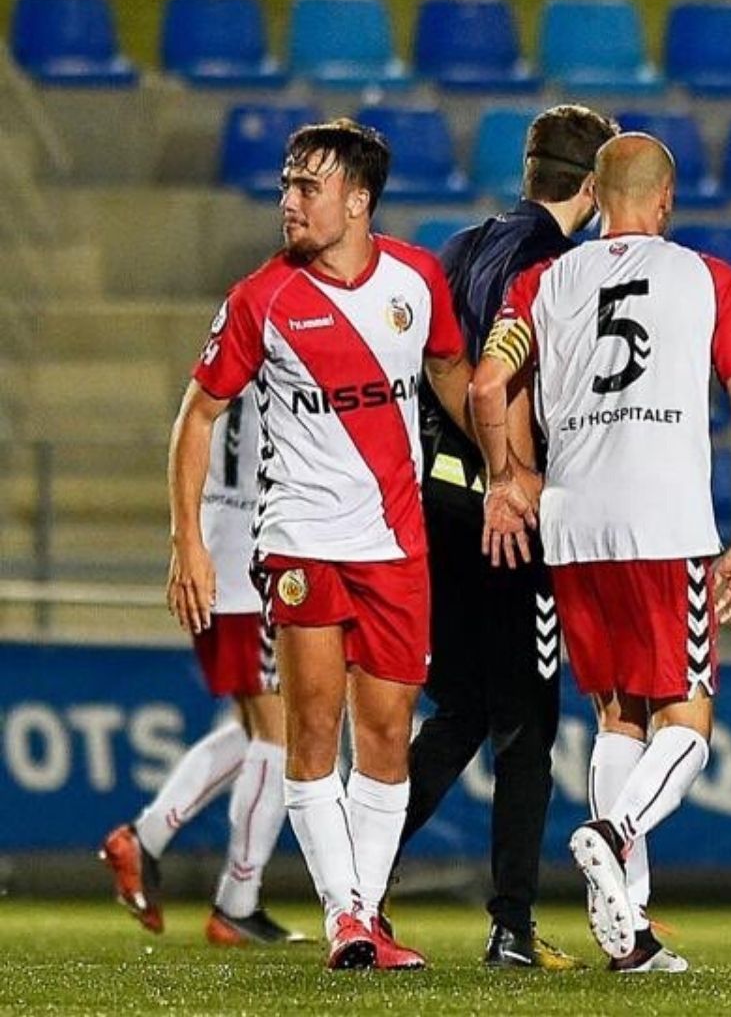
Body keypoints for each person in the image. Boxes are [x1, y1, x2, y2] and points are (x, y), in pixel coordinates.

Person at [167, 118, 473, 971]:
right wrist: (187, 542)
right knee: (312, 726)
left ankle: (366, 917)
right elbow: (198, 416)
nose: (290, 200)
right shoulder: (261, 298)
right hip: (300, 541)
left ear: (358, 200)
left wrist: (511, 466)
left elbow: (450, 371)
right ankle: (344, 915)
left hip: (396, 546)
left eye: (308, 186)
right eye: (286, 186)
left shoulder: (416, 280)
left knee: (385, 734)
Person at [471, 132, 731, 974]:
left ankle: (629, 933)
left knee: (617, 715)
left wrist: (509, 475)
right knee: (689, 721)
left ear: (597, 195)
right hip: (663, 522)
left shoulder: (540, 283)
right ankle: (613, 830)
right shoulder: (709, 280)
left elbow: (487, 386)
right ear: (666, 201)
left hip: (573, 525)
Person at [394, 104, 617, 972]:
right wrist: (512, 478)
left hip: (434, 506)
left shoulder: (460, 247)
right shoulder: (559, 272)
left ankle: (357, 887)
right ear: (591, 188)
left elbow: (435, 363)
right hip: (504, 515)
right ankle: (511, 926)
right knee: (526, 724)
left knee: (459, 708)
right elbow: (506, 383)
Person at [104, 391, 300, 946]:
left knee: (251, 729)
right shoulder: (286, 358)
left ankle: (160, 849)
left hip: (213, 556)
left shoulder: (222, 372)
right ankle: (226, 891)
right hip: (249, 566)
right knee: (281, 737)